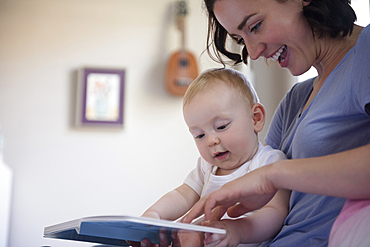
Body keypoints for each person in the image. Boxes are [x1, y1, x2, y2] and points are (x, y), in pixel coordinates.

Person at [181, 0, 370, 247]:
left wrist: (273, 175)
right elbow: (265, 203)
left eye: (256, 26)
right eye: (240, 40)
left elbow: (266, 178)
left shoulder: (364, 52)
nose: (254, 52)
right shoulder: (294, 100)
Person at [134, 68, 286, 247]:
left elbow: (276, 212)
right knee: (180, 233)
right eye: (199, 135)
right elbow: (182, 195)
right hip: (202, 239)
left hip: (240, 240)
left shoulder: (270, 163)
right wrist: (155, 214)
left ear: (255, 118)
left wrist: (236, 231)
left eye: (221, 127)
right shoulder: (207, 167)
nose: (211, 141)